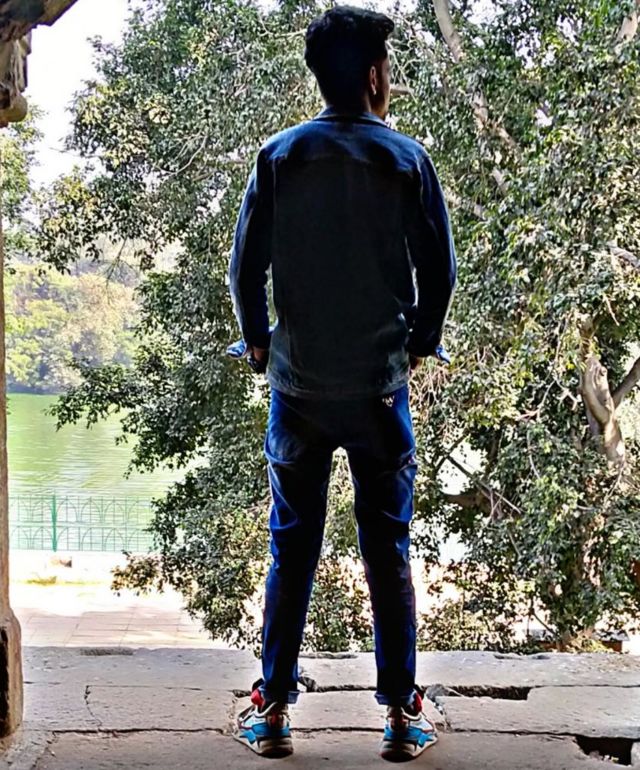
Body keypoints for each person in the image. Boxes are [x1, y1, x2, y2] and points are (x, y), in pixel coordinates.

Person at [228, 5, 457, 762]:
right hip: (378, 390)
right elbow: (439, 272)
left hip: (298, 389)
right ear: (374, 77)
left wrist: (260, 343)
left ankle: (272, 711)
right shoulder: (406, 160)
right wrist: (418, 344)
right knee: (386, 548)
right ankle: (401, 714)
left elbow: (245, 268)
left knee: (291, 546)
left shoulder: (279, 156)